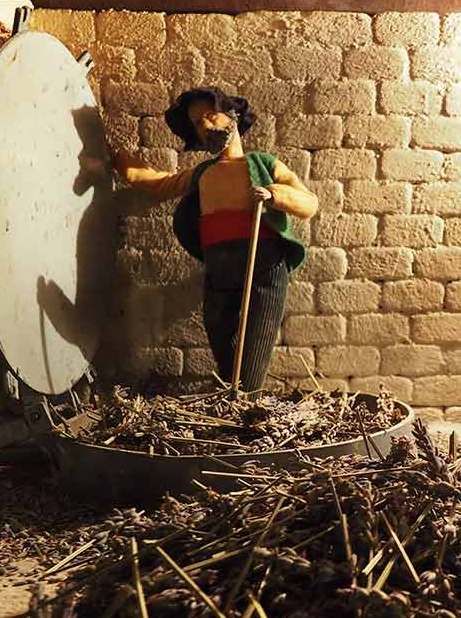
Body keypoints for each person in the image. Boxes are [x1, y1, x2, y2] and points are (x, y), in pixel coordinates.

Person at [112, 87, 318, 391]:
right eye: (198, 123)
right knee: (221, 336)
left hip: (262, 264)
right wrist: (117, 158)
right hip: (219, 265)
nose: (206, 126)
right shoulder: (203, 173)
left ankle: (246, 402)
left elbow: (309, 202)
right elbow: (160, 183)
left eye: (210, 116)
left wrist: (274, 194)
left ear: (232, 115)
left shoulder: (263, 164)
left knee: (255, 343)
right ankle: (231, 399)